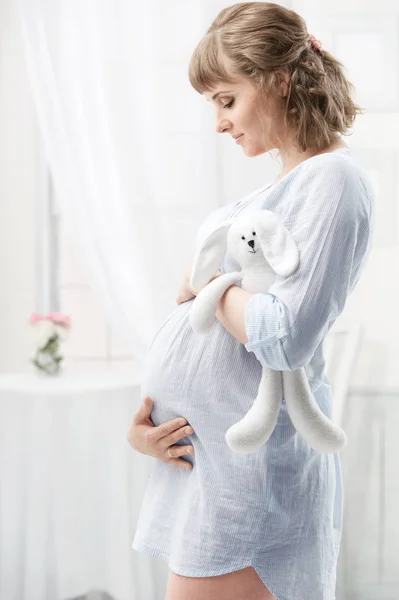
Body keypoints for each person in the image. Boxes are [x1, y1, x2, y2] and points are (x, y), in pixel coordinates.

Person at [126, 3, 375, 599]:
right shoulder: (281, 186)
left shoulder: (332, 181)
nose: (218, 123)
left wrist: (208, 288)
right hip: (213, 470)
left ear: (280, 81)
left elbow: (285, 336)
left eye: (226, 100)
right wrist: (149, 427)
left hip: (254, 485)